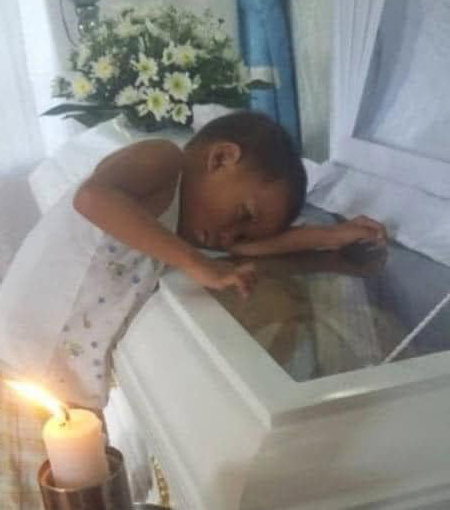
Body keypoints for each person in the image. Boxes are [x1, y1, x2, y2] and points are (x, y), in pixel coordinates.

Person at [0, 111, 386, 410]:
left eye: (245, 232)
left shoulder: (183, 230)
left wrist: (328, 237)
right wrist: (194, 263)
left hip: (63, 388)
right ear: (221, 159)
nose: (230, 236)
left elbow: (244, 250)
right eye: (244, 216)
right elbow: (92, 198)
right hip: (17, 360)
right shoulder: (163, 160)